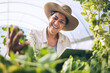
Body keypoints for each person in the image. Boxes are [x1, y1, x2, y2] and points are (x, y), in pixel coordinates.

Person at [6, 2, 79, 56]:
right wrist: (15, 55)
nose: (56, 23)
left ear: (63, 26)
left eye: (61, 22)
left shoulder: (66, 41)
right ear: (49, 17)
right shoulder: (34, 34)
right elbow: (28, 54)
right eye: (55, 18)